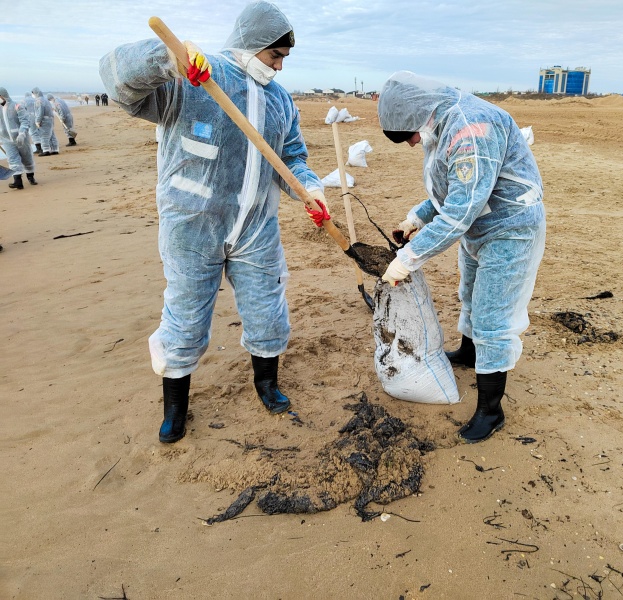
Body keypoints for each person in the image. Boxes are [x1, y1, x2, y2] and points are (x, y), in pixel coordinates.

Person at [99, 0, 330, 444]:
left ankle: (266, 383)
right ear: (253, 45)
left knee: (267, 312)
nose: (279, 68)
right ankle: (175, 407)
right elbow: (117, 81)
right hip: (193, 227)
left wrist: (310, 188)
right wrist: (169, 59)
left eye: (284, 59)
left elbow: (293, 156)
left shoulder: (280, 100)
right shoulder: (195, 78)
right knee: (185, 317)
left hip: (256, 229)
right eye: (274, 56)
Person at [378, 71, 546, 444]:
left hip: (510, 228)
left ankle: (491, 410)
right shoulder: (440, 122)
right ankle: (471, 355)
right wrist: (417, 217)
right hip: (480, 227)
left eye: (409, 137)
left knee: (492, 316)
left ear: (417, 116)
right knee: (470, 294)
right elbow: (451, 187)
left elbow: (460, 208)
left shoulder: (471, 128)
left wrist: (409, 258)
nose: (411, 144)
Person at [0, 87, 38, 189]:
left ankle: (30, 176)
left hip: (21, 138)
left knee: (26, 157)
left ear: (3, 95)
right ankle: (18, 181)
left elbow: (25, 120)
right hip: (6, 139)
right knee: (12, 159)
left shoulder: (17, 106)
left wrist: (22, 133)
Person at [31, 87, 59, 156]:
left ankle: (46, 150)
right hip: (50, 119)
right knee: (51, 135)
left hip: (44, 120)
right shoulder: (45, 100)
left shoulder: (38, 101)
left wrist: (38, 121)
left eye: (33, 93)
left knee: (44, 135)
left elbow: (40, 112)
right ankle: (54, 149)